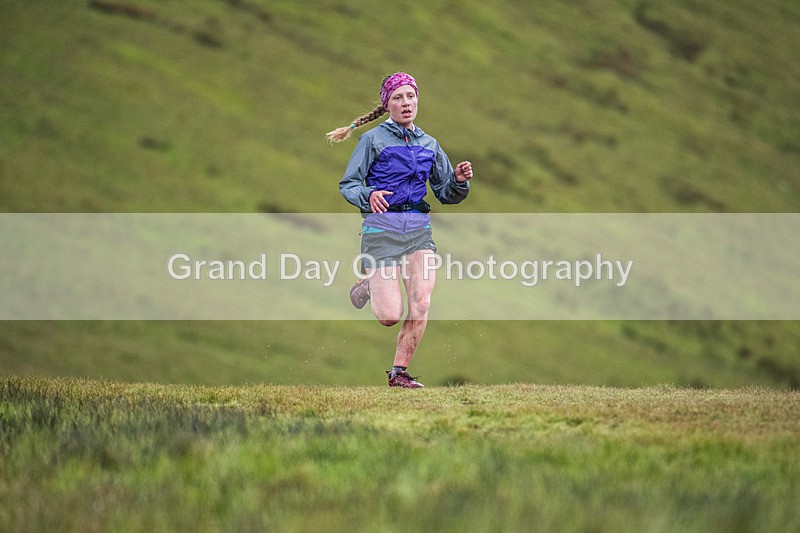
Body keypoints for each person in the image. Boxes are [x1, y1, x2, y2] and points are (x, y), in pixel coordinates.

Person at [327, 72, 474, 388]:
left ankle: (399, 374)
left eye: (411, 96)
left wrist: (459, 181)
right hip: (381, 231)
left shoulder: (429, 144)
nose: (406, 103)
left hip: (419, 231)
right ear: (387, 104)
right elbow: (349, 183)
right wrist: (369, 195)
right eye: (398, 98)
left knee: (421, 301)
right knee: (389, 315)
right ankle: (369, 284)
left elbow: (445, 192)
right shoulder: (373, 140)